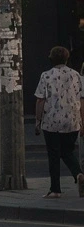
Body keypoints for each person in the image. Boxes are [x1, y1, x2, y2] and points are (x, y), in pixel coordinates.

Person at [33, 46, 84, 199]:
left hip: (52, 122)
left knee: (54, 155)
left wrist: (38, 121)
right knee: (67, 151)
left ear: (51, 59)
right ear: (67, 59)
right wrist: (83, 121)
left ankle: (55, 189)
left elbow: (40, 99)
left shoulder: (46, 76)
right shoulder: (76, 75)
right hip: (73, 120)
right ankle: (79, 174)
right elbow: (81, 99)